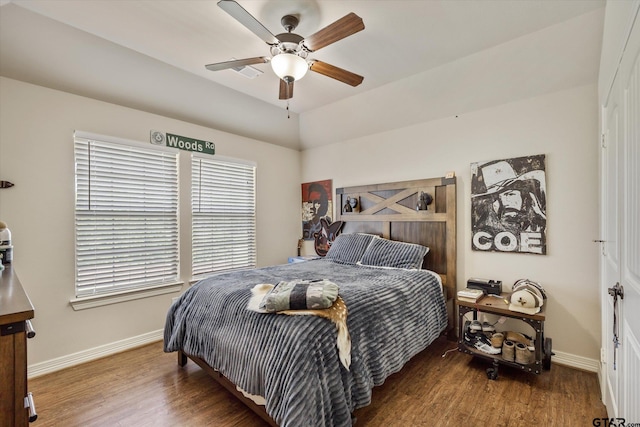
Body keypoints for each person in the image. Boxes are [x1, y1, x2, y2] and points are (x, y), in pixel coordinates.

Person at [471, 158, 546, 253]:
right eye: (495, 199)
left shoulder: (538, 224)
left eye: (510, 194)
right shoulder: (486, 228)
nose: (504, 203)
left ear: (523, 194)